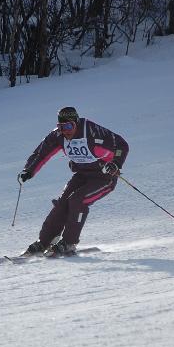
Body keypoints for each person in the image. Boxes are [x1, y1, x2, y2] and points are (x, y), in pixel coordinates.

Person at [18, 106, 129, 257]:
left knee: (78, 200)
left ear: (76, 123)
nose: (65, 131)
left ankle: (69, 243)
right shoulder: (58, 136)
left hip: (104, 177)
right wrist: (29, 170)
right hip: (82, 174)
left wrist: (115, 164)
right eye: (61, 127)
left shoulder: (91, 132)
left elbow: (121, 145)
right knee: (62, 203)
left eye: (69, 126)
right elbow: (41, 153)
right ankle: (44, 242)